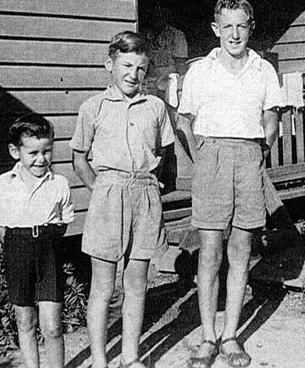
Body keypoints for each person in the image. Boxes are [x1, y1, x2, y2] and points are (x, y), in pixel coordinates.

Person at [177, 1, 283, 367]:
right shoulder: (200, 71)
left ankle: (231, 336)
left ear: (250, 27)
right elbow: (184, 119)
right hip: (212, 157)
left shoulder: (263, 70)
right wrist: (201, 155)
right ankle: (208, 336)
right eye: (227, 27)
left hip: (249, 156)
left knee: (241, 249)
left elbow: (271, 118)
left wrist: (260, 151)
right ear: (215, 28)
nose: (234, 34)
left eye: (241, 26)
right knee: (210, 251)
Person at [70, 31, 175, 368]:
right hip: (108, 195)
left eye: (141, 68)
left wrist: (152, 186)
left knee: (137, 283)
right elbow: (78, 157)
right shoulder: (93, 107)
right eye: (126, 65)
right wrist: (99, 190)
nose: (133, 74)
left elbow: (163, 152)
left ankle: (130, 357)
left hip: (144, 195)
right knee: (102, 285)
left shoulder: (156, 107)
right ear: (109, 65)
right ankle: (100, 360)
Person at [0, 113, 74, 368]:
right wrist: (19, 245)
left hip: (48, 251)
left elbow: (64, 220)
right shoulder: (4, 184)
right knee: (25, 321)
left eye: (47, 151)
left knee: (53, 326)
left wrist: (45, 243)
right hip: (17, 250)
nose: (41, 159)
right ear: (15, 151)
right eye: (33, 152)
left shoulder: (59, 183)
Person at [141, 1, 189, 94]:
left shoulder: (177, 35)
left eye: (160, 14)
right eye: (154, 14)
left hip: (167, 83)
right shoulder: (145, 36)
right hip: (147, 82)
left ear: (166, 16)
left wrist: (161, 81)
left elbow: (180, 66)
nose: (156, 18)